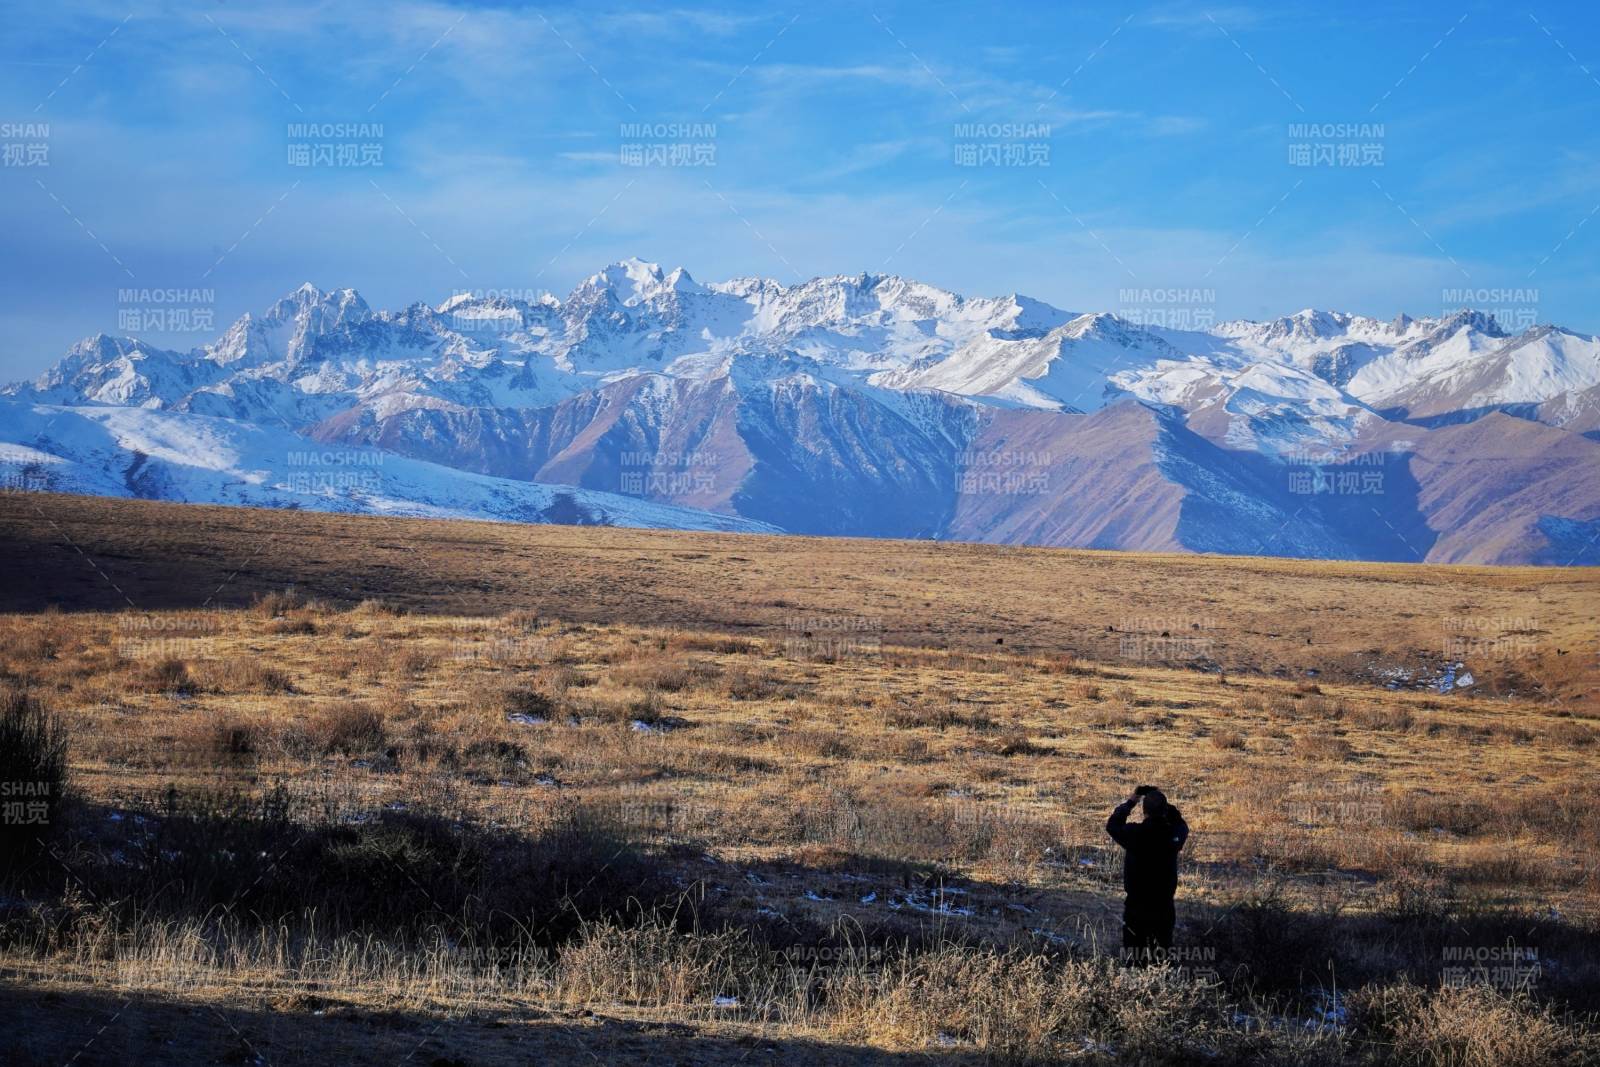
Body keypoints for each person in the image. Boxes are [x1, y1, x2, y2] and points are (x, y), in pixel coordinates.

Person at [1105, 785, 1189, 963]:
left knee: (1135, 958)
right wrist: (1162, 802)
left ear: (1144, 811)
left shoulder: (1134, 833)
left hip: (1136, 907)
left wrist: (1131, 801)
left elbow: (1113, 825)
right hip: (1164, 907)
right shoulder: (1172, 835)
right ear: (1164, 811)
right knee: (1162, 958)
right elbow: (1181, 824)